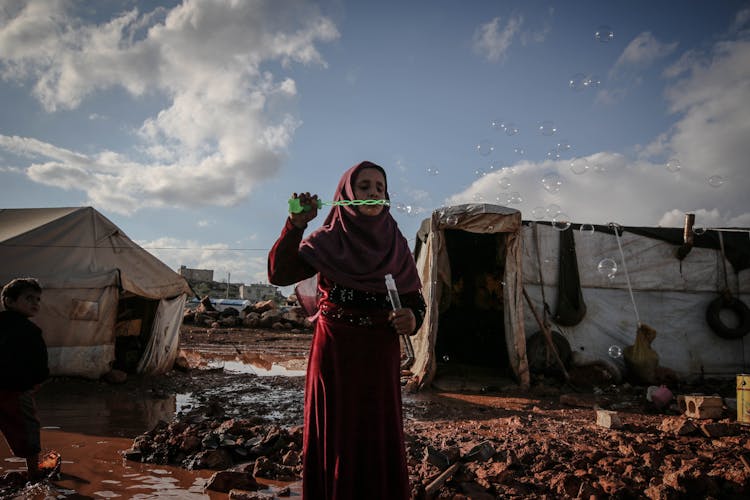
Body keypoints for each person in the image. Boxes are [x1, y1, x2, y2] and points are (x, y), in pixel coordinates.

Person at [268, 161, 426, 499]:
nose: (372, 193)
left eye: (379, 188)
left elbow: (416, 301)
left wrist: (412, 319)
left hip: (380, 353)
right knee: (337, 432)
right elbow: (280, 273)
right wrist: (295, 225)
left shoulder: (396, 244)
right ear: (348, 194)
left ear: (387, 198)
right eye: (365, 186)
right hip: (335, 350)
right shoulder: (327, 240)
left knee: (376, 431)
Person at [0, 278, 49, 482]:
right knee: (27, 427)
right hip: (16, 390)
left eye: (37, 299)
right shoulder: (31, 330)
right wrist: (38, 381)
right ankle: (33, 473)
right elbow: (39, 361)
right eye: (29, 298)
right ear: (9, 301)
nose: (35, 303)